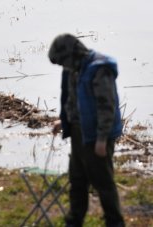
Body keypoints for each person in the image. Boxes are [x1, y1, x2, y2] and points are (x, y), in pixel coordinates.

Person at [49, 33, 125, 227]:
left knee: (103, 182)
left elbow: (106, 106)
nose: (63, 67)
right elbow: (74, 101)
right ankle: (74, 221)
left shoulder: (99, 69)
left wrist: (101, 139)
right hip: (77, 133)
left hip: (97, 136)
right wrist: (63, 122)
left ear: (72, 54)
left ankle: (115, 222)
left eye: (63, 62)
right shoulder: (73, 69)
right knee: (77, 180)